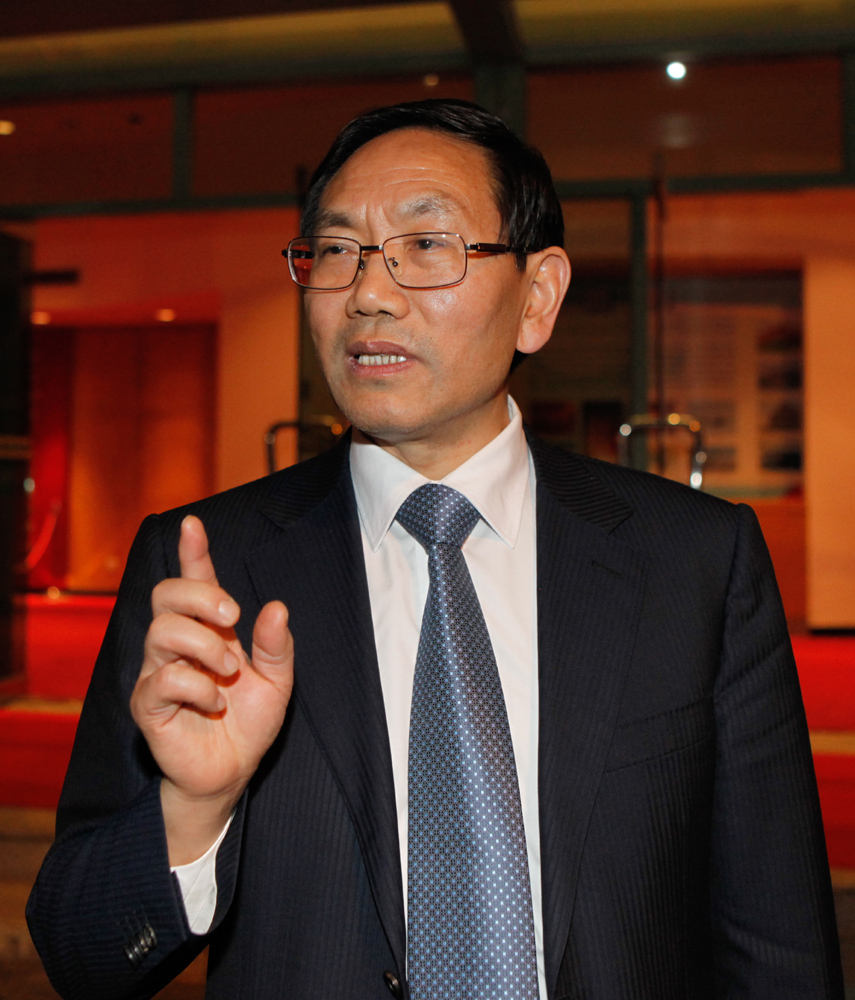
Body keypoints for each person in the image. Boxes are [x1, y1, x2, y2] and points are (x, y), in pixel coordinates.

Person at [27, 99, 843, 1000]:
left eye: (425, 245)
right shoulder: (206, 567)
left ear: (537, 299)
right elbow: (80, 955)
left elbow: (778, 944)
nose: (368, 293)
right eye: (336, 251)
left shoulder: (694, 562)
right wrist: (192, 808)